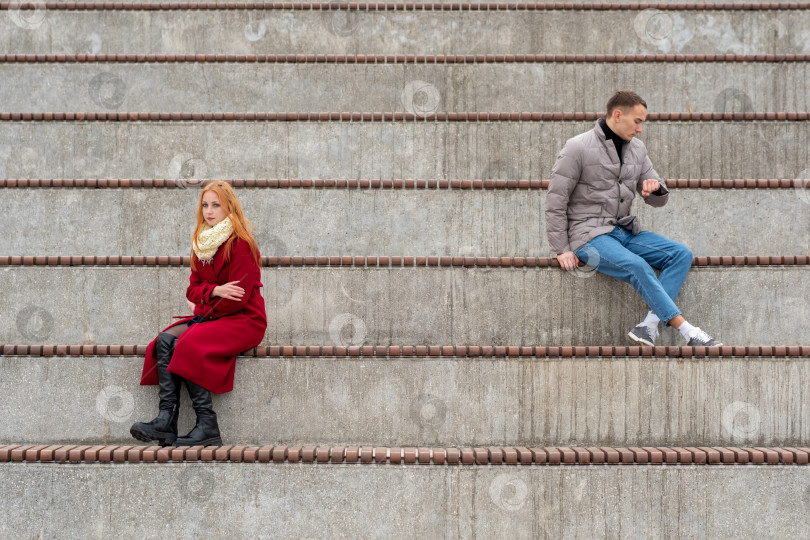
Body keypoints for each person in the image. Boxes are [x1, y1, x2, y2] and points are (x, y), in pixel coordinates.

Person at [545, 90, 721, 347]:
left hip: (623, 231)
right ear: (618, 115)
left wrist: (655, 189)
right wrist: (561, 248)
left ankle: (648, 326)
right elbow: (555, 200)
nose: (640, 129)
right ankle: (688, 332)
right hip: (588, 236)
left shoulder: (637, 149)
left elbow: (658, 196)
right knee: (638, 266)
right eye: (637, 121)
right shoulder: (577, 147)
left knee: (680, 254)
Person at [131, 180, 267, 446]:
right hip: (216, 315)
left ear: (229, 208)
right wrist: (214, 291)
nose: (209, 211)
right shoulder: (202, 245)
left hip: (245, 320)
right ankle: (166, 420)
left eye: (216, 205)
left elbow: (236, 300)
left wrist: (202, 304)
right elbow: (191, 290)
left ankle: (208, 425)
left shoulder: (241, 244)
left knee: (188, 341)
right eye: (205, 205)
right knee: (164, 340)